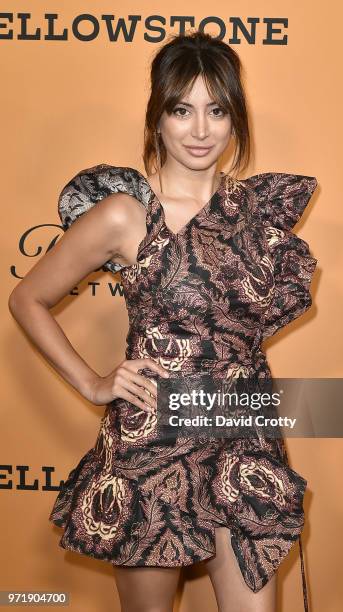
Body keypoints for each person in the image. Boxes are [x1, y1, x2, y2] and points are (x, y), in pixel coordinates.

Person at [8, 31, 318, 612]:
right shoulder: (125, 214)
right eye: (182, 110)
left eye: (216, 110)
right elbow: (27, 299)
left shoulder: (258, 212)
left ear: (235, 119)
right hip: (154, 443)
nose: (200, 130)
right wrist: (93, 383)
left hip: (242, 438)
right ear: (157, 118)